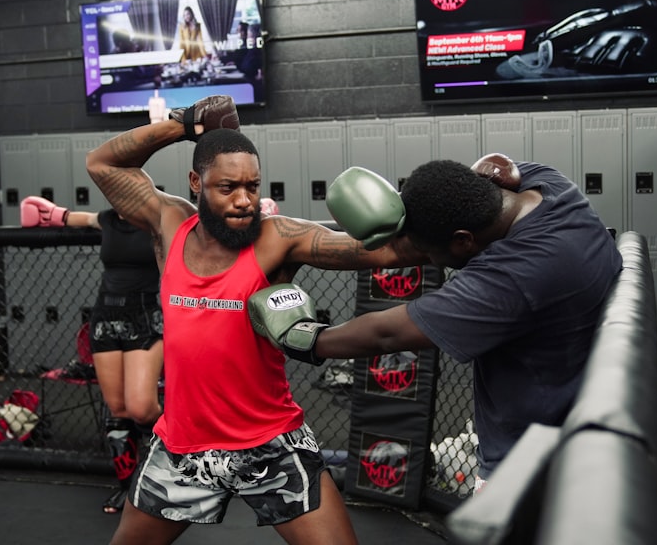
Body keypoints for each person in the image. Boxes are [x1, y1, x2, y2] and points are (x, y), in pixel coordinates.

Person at [85, 95, 426, 545]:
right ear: (195, 182)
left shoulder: (278, 238)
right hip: (183, 447)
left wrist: (434, 219)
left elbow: (379, 251)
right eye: (228, 187)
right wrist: (186, 125)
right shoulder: (169, 224)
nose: (244, 200)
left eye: (253, 186)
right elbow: (102, 163)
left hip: (270, 443)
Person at [248, 155, 624, 493]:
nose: (425, 258)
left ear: (463, 241)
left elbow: (388, 333)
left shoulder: (512, 278)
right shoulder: (548, 185)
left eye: (430, 252)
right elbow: (496, 169)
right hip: (578, 424)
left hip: (528, 464)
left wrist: (309, 338)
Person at [19, 199, 164, 514]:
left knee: (142, 407)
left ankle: (170, 468)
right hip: (105, 315)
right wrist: (51, 215)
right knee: (118, 407)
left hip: (146, 316)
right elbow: (73, 218)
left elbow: (205, 225)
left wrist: (255, 217)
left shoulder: (161, 218)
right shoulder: (108, 219)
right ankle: (128, 489)